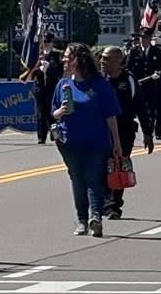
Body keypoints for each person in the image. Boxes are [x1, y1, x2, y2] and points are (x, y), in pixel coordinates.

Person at [51, 43, 123, 237]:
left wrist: (116, 143)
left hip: (96, 141)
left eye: (68, 57)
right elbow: (54, 112)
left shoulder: (100, 85)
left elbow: (111, 116)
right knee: (78, 179)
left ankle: (96, 218)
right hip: (69, 142)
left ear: (79, 59)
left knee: (94, 178)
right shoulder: (63, 85)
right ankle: (82, 220)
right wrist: (60, 112)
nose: (64, 60)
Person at [98, 45, 142, 221]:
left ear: (118, 60)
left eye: (106, 58)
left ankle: (114, 206)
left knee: (119, 167)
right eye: (102, 58)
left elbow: (140, 105)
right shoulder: (99, 80)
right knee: (101, 167)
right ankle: (103, 202)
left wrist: (148, 133)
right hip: (101, 131)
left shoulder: (129, 80)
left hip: (124, 130)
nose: (102, 61)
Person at [127, 27, 161, 153]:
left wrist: (157, 74)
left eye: (145, 38)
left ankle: (149, 133)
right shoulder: (134, 51)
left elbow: (160, 67)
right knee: (135, 111)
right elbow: (128, 67)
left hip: (151, 86)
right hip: (138, 86)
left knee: (151, 112)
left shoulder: (156, 51)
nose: (143, 40)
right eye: (141, 38)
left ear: (149, 39)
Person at [32, 42, 63, 146]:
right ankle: (41, 137)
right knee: (40, 113)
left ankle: (54, 135)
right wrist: (39, 69)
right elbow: (30, 71)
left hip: (51, 87)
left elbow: (59, 71)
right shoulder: (36, 55)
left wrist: (49, 69)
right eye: (44, 42)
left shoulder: (57, 55)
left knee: (52, 112)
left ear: (52, 43)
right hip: (39, 87)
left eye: (48, 42)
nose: (46, 44)